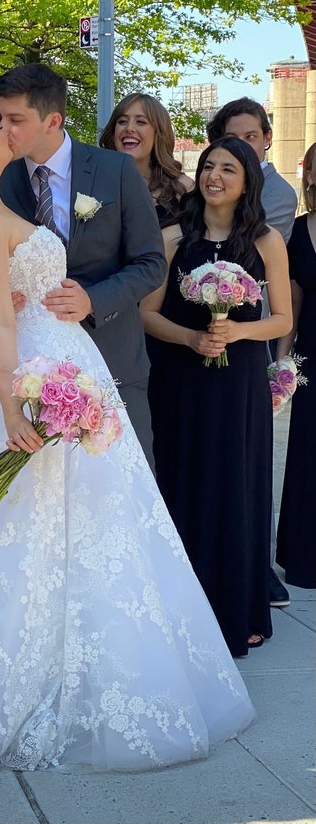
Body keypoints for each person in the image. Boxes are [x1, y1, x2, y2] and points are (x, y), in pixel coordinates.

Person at [0, 96, 254, 776]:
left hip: (62, 358)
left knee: (96, 524)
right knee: (1, 526)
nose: (5, 127)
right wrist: (14, 408)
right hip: (27, 374)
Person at [141, 136, 292, 657]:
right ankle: (181, 611)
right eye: (208, 166)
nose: (215, 177)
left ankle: (237, 610)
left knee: (235, 485)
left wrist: (237, 333)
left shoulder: (266, 240)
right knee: (183, 481)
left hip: (239, 383)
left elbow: (282, 318)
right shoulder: (172, 238)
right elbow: (148, 314)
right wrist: (190, 338)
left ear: (247, 180)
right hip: (181, 377)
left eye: (229, 169)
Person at [0, 64, 166, 469]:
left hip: (112, 358)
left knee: (124, 481)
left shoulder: (115, 170)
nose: (2, 130)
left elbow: (151, 262)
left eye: (15, 120)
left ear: (53, 120)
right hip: (28, 366)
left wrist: (94, 299)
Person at [206, 98, 297, 607]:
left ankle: (252, 572)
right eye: (227, 139)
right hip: (192, 349)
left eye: (249, 138)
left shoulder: (274, 202)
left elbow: (269, 287)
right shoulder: (186, 226)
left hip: (245, 337)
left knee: (245, 470)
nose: (239, 146)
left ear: (264, 139)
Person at [274, 141, 316, 589]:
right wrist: (281, 365)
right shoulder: (298, 233)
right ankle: (305, 558)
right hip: (314, 359)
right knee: (308, 457)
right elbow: (294, 304)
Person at [206, 97, 297, 243]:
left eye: (250, 137)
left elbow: (252, 249)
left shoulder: (279, 193)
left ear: (267, 138)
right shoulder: (211, 180)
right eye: (232, 138)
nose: (242, 145)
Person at [99, 92, 194, 225]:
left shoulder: (183, 188)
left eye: (141, 122)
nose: (129, 128)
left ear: (158, 133)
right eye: (122, 122)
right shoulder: (95, 184)